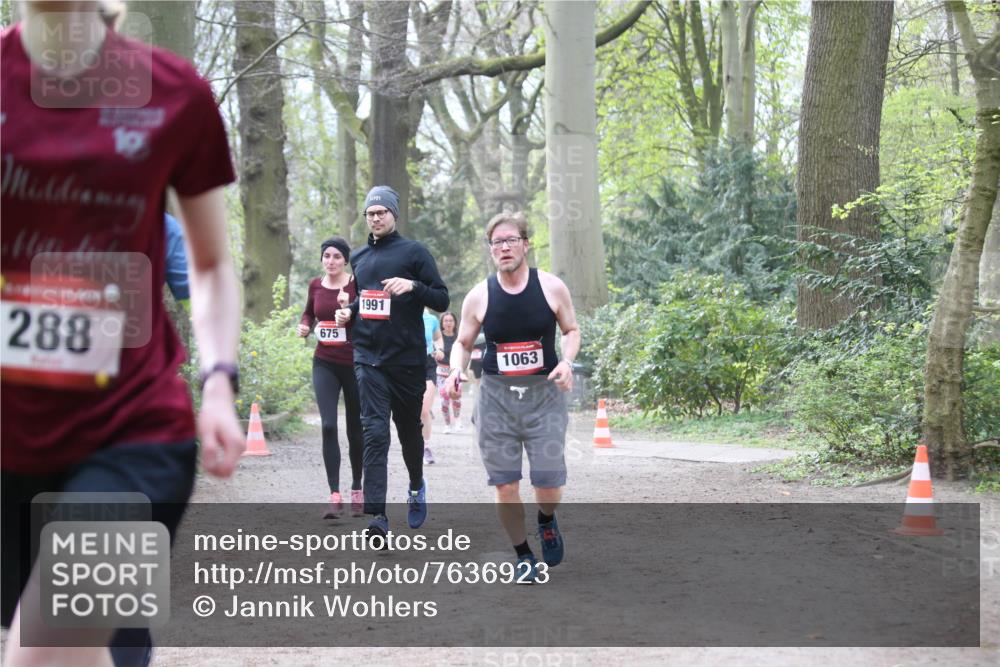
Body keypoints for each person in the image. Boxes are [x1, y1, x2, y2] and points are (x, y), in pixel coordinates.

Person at [1, 1, 244, 664]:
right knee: (93, 643)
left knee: (42, 649)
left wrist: (219, 380)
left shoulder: (176, 95)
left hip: (133, 433)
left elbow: (212, 263)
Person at [447, 211, 579, 582]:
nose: (503, 247)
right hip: (496, 401)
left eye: (510, 240)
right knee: (505, 484)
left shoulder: (552, 287)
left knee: (549, 484)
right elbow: (462, 343)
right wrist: (457, 369)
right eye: (496, 243)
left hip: (544, 397)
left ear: (525, 243)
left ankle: (547, 520)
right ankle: (523, 556)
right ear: (490, 251)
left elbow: (571, 330)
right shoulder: (479, 296)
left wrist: (567, 362)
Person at [335, 186, 448, 541]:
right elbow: (364, 301)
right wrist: (347, 314)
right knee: (375, 433)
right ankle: (378, 516)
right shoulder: (359, 257)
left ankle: (416, 485)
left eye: (382, 212)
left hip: (407, 361)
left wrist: (413, 286)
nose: (376, 217)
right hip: (368, 358)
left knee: (408, 433)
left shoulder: (415, 253)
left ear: (394, 215)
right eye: (370, 213)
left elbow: (442, 299)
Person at [297, 236, 364, 519]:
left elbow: (368, 313)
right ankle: (334, 494)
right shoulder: (315, 285)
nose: (331, 261)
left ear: (345, 260)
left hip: (353, 363)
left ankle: (357, 489)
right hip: (324, 362)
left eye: (337, 256)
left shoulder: (354, 284)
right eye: (327, 256)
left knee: (354, 427)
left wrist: (350, 311)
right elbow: (309, 313)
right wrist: (303, 325)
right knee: (327, 425)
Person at [436, 311, 464, 433]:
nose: (448, 323)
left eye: (451, 320)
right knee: (444, 400)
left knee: (456, 398)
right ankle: (447, 425)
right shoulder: (438, 337)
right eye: (446, 321)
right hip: (441, 373)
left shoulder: (459, 337)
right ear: (442, 323)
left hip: (455, 372)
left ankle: (457, 422)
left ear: (455, 323)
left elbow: (464, 353)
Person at [421, 308, 443, 463]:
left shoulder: (431, 319)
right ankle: (413, 444)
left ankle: (426, 447)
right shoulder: (400, 312)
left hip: (428, 363)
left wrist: (439, 349)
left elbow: (438, 338)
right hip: (406, 364)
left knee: (424, 410)